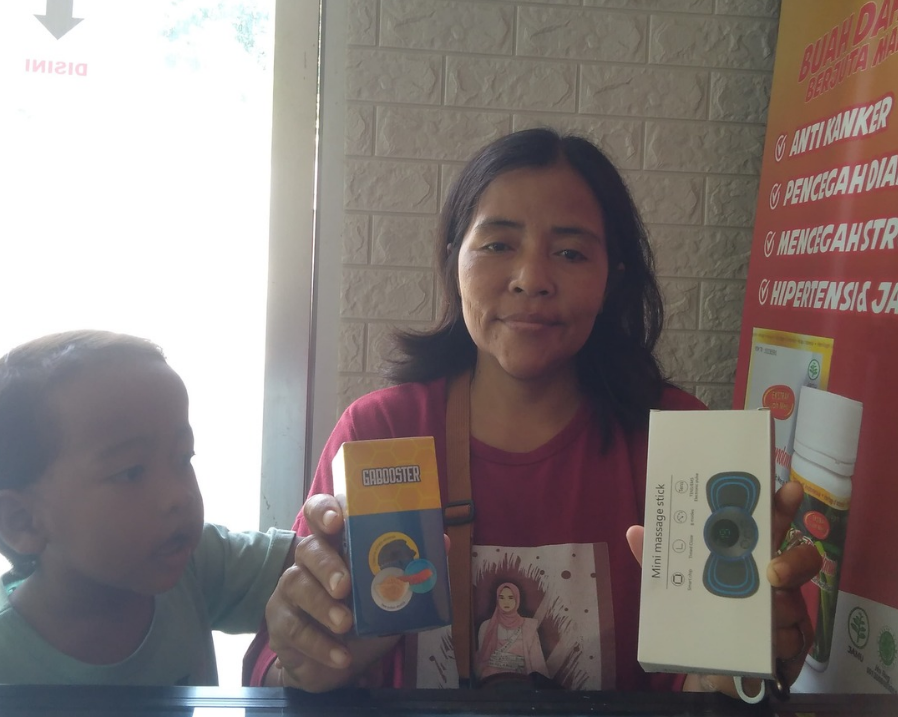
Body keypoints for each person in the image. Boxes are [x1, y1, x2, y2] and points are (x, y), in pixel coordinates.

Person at [245, 128, 822, 697]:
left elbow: (702, 690)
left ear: (612, 279)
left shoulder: (680, 441)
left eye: (570, 253)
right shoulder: (380, 432)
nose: (531, 280)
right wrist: (309, 660)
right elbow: (275, 667)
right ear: (453, 259)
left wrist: (738, 663)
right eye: (498, 245)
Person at [0, 330, 296, 684]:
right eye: (131, 472)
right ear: (23, 521)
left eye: (183, 458)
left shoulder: (195, 563)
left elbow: (309, 565)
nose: (179, 496)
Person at [476, 582, 549, 682]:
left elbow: (537, 660)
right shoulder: (486, 626)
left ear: (517, 599)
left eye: (511, 598)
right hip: (492, 680)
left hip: (520, 680)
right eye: (501, 598)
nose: (506, 602)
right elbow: (481, 659)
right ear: (497, 600)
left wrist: (542, 686)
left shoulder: (528, 627)